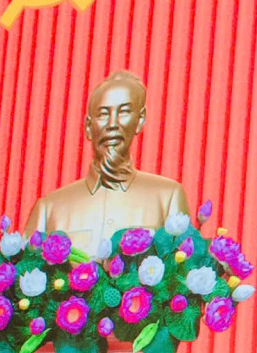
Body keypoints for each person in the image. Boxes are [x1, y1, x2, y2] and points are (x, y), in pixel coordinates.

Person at [23, 69, 192, 251]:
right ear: (88, 127)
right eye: (103, 114)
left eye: (124, 112)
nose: (112, 124)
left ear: (140, 120)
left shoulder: (167, 198)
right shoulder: (49, 209)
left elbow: (184, 264)